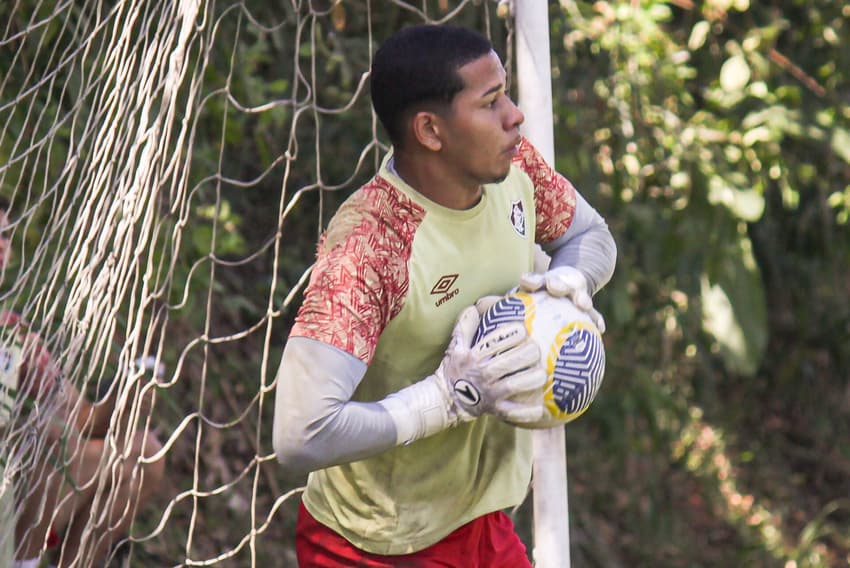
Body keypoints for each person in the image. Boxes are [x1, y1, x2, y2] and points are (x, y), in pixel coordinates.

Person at [273, 24, 617, 566]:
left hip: (479, 521)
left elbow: (589, 235)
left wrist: (571, 282)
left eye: (505, 93)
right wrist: (443, 401)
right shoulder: (371, 247)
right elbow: (300, 434)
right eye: (491, 102)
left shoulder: (515, 167)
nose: (514, 115)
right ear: (431, 130)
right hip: (373, 544)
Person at [0, 196, 166, 568]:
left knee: (144, 453)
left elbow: (81, 417)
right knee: (48, 435)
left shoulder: (13, 333)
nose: (1, 245)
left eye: (6, 236)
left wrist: (128, 390)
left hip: (11, 494)